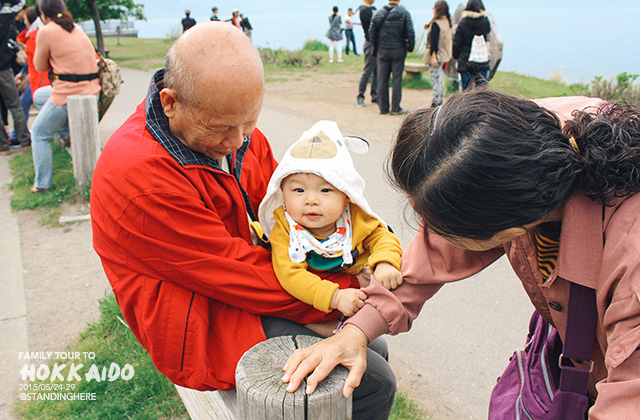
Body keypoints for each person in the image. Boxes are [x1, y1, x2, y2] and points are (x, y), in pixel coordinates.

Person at [90, 22, 396, 420]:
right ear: (169, 102)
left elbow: (287, 215)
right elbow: (231, 270)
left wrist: (367, 244)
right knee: (373, 382)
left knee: (372, 343)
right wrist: (339, 296)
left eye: (249, 121)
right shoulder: (139, 176)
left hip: (239, 285)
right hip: (195, 316)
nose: (238, 141)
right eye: (220, 129)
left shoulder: (234, 130)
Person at [283, 89, 640, 418]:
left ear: (509, 233)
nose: (430, 233)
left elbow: (629, 397)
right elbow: (424, 262)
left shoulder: (631, 256)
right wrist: (356, 332)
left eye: (440, 224)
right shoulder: (512, 145)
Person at [258, 120, 402, 335]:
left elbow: (381, 236)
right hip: (317, 294)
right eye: (298, 190)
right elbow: (291, 275)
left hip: (357, 288)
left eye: (325, 190)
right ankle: (316, 323)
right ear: (282, 193)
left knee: (385, 310)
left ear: (346, 197)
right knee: (297, 301)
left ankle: (355, 322)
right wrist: (335, 297)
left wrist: (385, 262)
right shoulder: (286, 228)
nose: (311, 200)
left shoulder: (354, 216)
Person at [30, 0, 100, 192]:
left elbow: (40, 67)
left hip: (70, 93)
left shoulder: (46, 31)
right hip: (91, 90)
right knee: (39, 96)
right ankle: (66, 135)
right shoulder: (75, 27)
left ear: (43, 14)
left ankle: (42, 184)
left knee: (39, 133)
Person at [369, 0, 414, 115]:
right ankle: (395, 108)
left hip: (382, 50)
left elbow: (372, 32)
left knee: (382, 79)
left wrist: (376, 46)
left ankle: (383, 108)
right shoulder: (404, 13)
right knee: (397, 79)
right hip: (399, 49)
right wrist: (410, 47)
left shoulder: (378, 13)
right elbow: (410, 32)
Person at [11, 6, 47, 145]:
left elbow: (34, 61)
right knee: (25, 103)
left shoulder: (34, 37)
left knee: (24, 103)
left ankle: (18, 136)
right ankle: (18, 135)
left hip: (38, 78)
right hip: (36, 77)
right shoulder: (33, 35)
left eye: (26, 18)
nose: (24, 21)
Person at [0, 0, 31, 156]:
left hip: (4, 67)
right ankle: (25, 141)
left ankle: (2, 146)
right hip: (4, 68)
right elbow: (19, 4)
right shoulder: (4, 15)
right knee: (15, 105)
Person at [452, 0, 490, 90]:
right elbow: (488, 32)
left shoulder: (462, 23)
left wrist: (457, 56)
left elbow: (457, 43)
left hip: (465, 60)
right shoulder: (485, 22)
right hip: (481, 60)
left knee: (466, 91)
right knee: (482, 91)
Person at [424, 1, 452, 107]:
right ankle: (440, 99)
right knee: (439, 77)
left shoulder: (436, 24)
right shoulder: (447, 22)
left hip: (437, 55)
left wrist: (433, 56)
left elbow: (434, 42)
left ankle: (436, 101)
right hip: (444, 54)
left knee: (435, 78)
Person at [356, 0, 377, 106]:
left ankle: (375, 95)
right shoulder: (364, 10)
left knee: (377, 71)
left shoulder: (373, 9)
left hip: (377, 44)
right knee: (368, 70)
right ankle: (360, 96)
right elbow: (371, 29)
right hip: (370, 43)